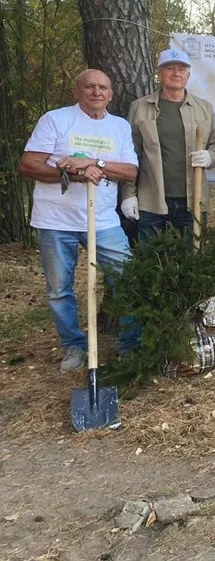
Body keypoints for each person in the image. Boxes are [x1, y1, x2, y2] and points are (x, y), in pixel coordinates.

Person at [18, 69, 140, 371]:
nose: (96, 92)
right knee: (60, 289)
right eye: (90, 87)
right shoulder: (56, 120)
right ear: (78, 91)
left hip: (102, 220)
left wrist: (94, 162)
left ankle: (130, 346)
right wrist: (73, 174)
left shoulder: (119, 126)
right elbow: (29, 164)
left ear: (111, 94)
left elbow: (130, 171)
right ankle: (74, 346)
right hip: (55, 220)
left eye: (103, 88)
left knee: (128, 280)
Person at [122, 49, 215, 237]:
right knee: (152, 262)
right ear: (159, 73)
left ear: (188, 75)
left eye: (181, 69)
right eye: (169, 68)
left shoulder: (203, 108)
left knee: (191, 261)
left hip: (193, 200)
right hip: (151, 201)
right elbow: (130, 154)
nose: (176, 74)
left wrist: (210, 157)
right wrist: (128, 194)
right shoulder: (140, 107)